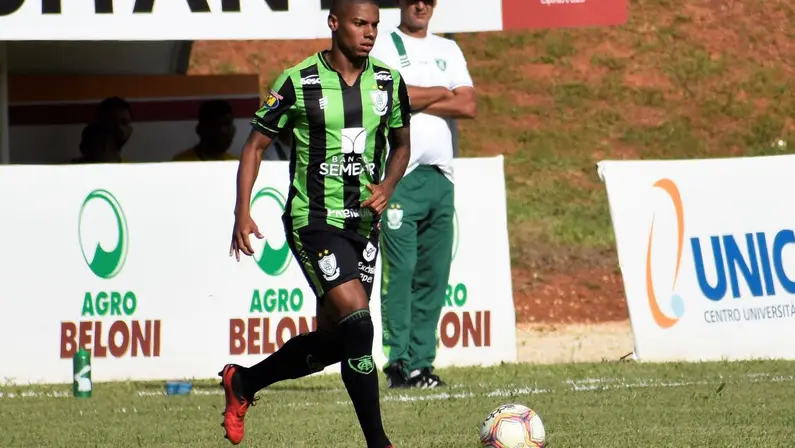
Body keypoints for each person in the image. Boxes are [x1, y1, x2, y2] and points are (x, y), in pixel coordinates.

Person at [219, 0, 412, 447]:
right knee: (359, 321)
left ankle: (243, 383)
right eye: (360, 23)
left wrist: (387, 184)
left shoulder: (387, 80)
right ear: (334, 23)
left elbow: (402, 145)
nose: (369, 32)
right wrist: (241, 211)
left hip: (365, 224)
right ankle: (379, 443)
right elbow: (253, 146)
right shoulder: (297, 81)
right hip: (314, 221)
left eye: (375, 25)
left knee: (336, 341)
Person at [368, 0, 477, 389]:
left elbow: (468, 103)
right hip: (401, 176)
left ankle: (421, 364)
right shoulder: (382, 44)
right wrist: (438, 91)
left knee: (434, 275)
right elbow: (392, 98)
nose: (421, 5)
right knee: (400, 273)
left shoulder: (449, 49)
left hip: (441, 177)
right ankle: (397, 362)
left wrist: (419, 93)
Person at [172, 99, 239, 161]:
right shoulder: (181, 163)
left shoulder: (236, 164)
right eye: (215, 124)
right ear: (199, 130)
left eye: (227, 124)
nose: (223, 130)